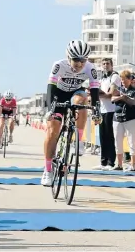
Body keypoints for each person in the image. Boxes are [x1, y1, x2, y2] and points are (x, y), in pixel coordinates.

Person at [41, 40, 102, 186]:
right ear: (68, 57)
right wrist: (50, 109)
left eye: (83, 60)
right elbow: (50, 87)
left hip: (76, 93)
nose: (80, 64)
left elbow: (94, 92)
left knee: (81, 101)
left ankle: (78, 141)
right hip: (58, 94)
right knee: (52, 130)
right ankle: (47, 170)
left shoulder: (90, 68)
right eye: (76, 60)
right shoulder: (59, 65)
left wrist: (96, 111)